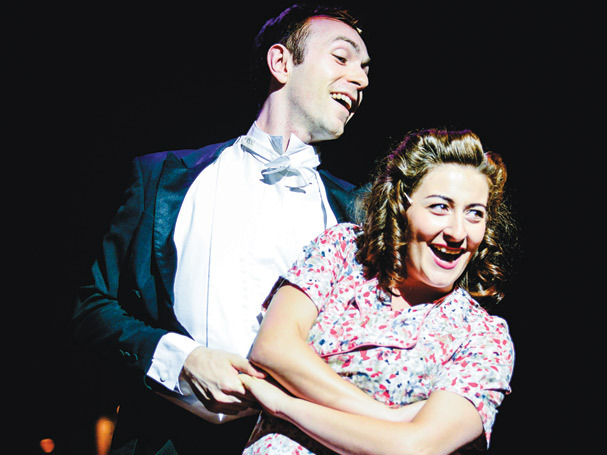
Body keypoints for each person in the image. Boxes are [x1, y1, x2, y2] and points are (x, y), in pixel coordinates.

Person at [72, 4, 370, 454]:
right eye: (343, 58)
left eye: (366, 69)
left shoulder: (359, 214)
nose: (362, 80)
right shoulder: (162, 178)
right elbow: (91, 307)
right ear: (281, 63)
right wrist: (181, 359)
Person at [239, 128, 516, 454]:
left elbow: (412, 449)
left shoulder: (483, 336)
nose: (457, 232)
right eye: (440, 207)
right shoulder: (344, 251)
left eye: (475, 213)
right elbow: (272, 347)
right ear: (400, 205)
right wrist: (388, 418)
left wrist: (285, 405)